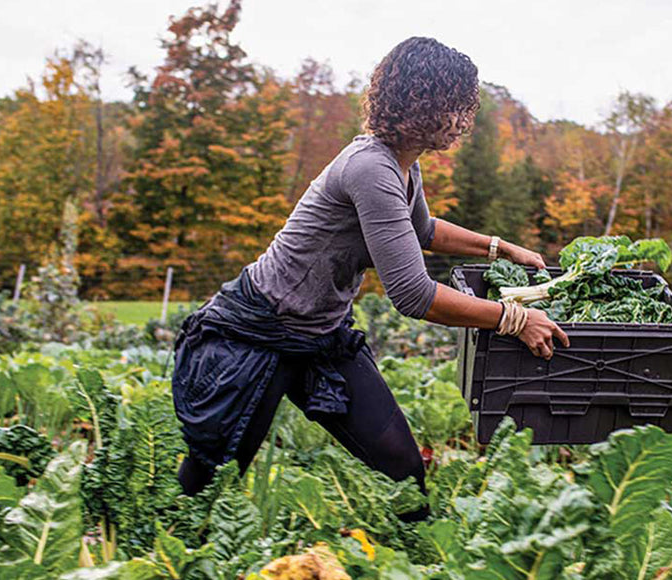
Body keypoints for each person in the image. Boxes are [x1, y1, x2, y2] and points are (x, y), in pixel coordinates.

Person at [171, 36, 569, 522]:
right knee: (211, 482)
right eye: (461, 106)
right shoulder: (370, 167)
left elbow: (421, 229)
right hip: (260, 332)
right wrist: (513, 318)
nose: (467, 120)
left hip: (322, 337)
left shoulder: (403, 165)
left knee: (402, 468)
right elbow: (413, 294)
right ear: (430, 104)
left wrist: (499, 246)